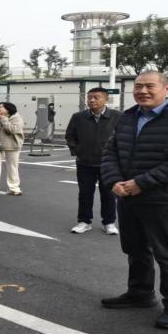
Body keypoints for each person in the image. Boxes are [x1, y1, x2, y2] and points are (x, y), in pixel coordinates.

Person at [100, 71, 168, 329]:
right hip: (127, 195)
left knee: (166, 253)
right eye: (138, 86)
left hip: (161, 198)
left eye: (150, 86)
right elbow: (110, 151)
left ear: (166, 89)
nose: (143, 91)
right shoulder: (128, 116)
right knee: (135, 249)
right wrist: (114, 181)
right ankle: (140, 293)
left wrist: (141, 183)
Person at [65, 87, 121, 235]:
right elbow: (70, 136)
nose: (91, 100)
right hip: (85, 163)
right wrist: (78, 151)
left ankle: (109, 223)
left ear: (106, 99)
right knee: (85, 193)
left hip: (109, 164)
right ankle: (84, 221)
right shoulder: (78, 117)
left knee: (109, 194)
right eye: (89, 97)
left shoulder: (118, 116)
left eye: (96, 97)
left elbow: (124, 138)